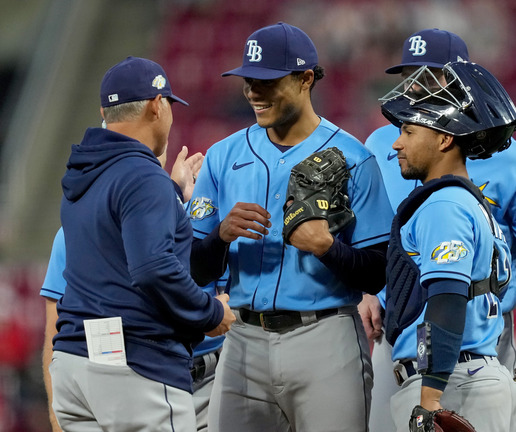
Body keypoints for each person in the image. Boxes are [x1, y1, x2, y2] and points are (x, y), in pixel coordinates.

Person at [359, 29, 516, 431]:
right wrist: (368, 291)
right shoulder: (383, 142)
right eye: (408, 75)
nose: (415, 86)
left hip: (480, 335)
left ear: (462, 80)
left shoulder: (512, 158)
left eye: (429, 75)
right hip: (399, 329)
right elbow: (372, 235)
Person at [188, 22, 395, 432]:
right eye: (249, 80)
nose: (253, 92)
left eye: (266, 81)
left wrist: (327, 248)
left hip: (326, 337)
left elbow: (380, 269)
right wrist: (221, 235)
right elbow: (195, 268)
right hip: (244, 338)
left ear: (305, 79)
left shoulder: (354, 158)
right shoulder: (221, 156)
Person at [49, 56, 235, 432]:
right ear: (157, 105)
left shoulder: (86, 170)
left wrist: (167, 188)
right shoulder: (141, 175)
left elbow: (118, 232)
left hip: (74, 365)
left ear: (105, 111)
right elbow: (152, 268)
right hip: (134, 368)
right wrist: (211, 314)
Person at [379, 60, 516, 431]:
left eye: (409, 131)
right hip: (469, 375)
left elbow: (446, 300)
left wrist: (430, 402)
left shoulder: (444, 206)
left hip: (454, 384)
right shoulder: (466, 200)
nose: (396, 143)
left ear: (444, 139)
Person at [40, 146, 218, 432]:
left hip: (211, 380)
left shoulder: (191, 214)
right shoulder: (74, 230)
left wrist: (176, 196)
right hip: (134, 375)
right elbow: (56, 330)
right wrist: (54, 416)